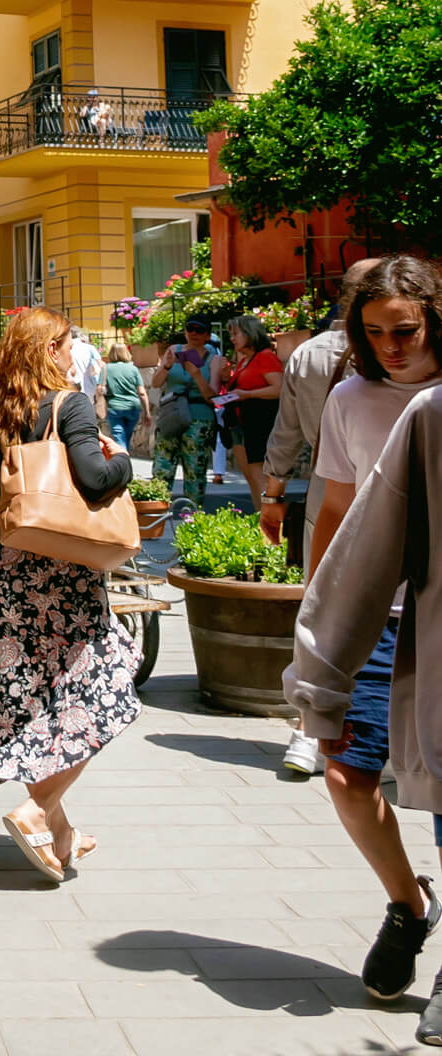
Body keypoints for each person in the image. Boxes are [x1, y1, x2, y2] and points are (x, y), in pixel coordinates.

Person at [294, 256, 442, 1008]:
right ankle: (408, 906)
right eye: (374, 331)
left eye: (405, 329)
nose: (390, 345)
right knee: (347, 778)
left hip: (439, 618)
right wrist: (317, 618)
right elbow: (334, 512)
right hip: (375, 622)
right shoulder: (350, 398)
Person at [0, 306, 137, 883]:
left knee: (35, 704)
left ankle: (59, 833)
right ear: (50, 350)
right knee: (106, 690)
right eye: (68, 342)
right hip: (65, 576)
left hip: (8, 575)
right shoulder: (70, 405)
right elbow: (96, 477)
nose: (72, 350)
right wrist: (124, 462)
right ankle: (35, 810)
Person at [261, 258, 379, 776]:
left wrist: (272, 493)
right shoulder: (398, 353)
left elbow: (285, 431)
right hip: (395, 493)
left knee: (319, 606)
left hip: (328, 488)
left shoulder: (307, 354)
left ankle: (309, 727)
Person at [150, 314, 226, 507]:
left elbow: (213, 396)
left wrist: (196, 374)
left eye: (199, 330)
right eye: (190, 328)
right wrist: (167, 365)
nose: (194, 333)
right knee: (162, 468)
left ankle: (191, 517)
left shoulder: (214, 359)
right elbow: (156, 383)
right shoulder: (173, 351)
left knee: (195, 471)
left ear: (208, 335)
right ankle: (156, 515)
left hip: (199, 418)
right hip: (171, 415)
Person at [218, 313, 284, 508]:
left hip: (259, 423)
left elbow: (278, 388)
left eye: (235, 333)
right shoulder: (244, 360)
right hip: (241, 423)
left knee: (259, 476)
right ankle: (259, 519)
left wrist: (248, 395)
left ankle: (267, 522)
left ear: (249, 333)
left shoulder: (265, 357)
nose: (232, 338)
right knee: (251, 476)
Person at [102, 340, 150, 453]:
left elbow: (100, 388)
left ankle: (123, 464)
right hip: (133, 407)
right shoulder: (133, 369)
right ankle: (126, 462)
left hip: (114, 407)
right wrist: (147, 412)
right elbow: (142, 393)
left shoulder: (106, 369)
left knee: (119, 437)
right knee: (126, 437)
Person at [69, 325, 103, 401]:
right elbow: (101, 365)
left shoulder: (67, 349)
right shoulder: (90, 348)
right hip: (90, 388)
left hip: (72, 389)